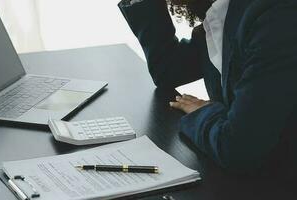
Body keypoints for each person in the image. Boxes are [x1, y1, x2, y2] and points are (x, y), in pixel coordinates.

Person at [118, 0, 297, 174]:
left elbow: (238, 148)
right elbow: (168, 70)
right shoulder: (224, 11)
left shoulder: (275, 15)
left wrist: (203, 112)